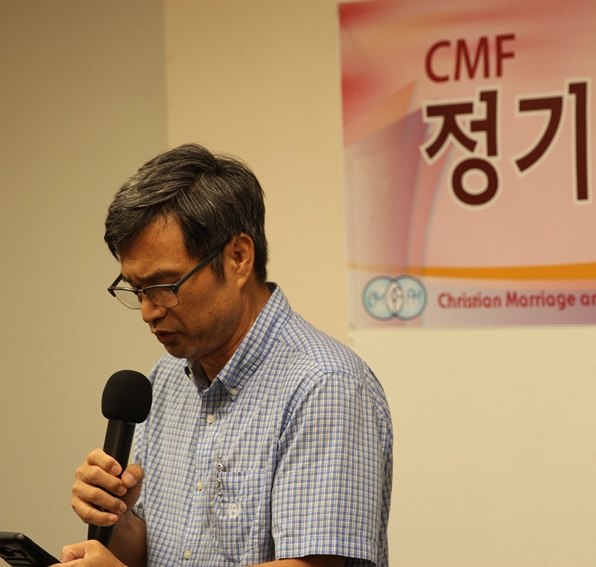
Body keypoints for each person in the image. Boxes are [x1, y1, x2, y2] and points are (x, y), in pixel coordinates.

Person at [61, 144, 393, 567]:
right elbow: (154, 553)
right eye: (136, 289)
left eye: (164, 285)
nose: (148, 311)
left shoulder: (325, 385)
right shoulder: (165, 378)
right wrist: (118, 521)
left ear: (238, 257)